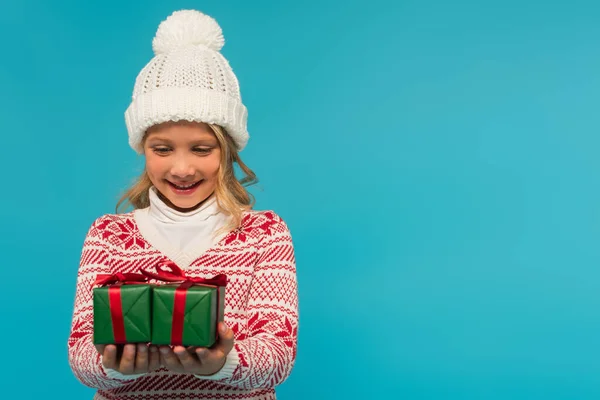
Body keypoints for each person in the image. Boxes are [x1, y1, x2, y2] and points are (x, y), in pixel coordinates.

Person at [67, 9, 298, 400]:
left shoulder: (263, 233)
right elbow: (81, 356)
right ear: (143, 150)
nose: (182, 168)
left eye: (201, 149)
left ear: (226, 151)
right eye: (162, 149)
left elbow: (277, 355)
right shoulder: (109, 235)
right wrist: (112, 364)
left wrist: (222, 363)